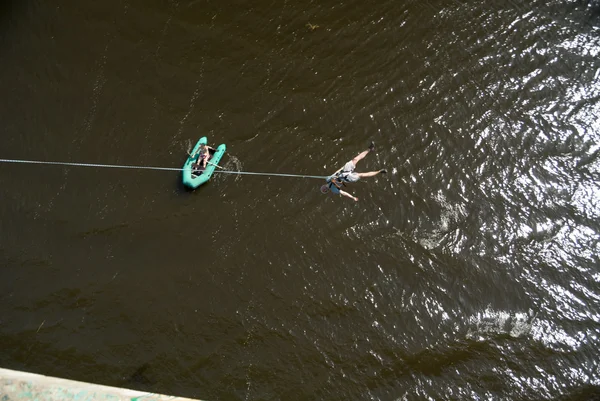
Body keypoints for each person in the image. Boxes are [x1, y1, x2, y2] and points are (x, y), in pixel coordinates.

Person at [321, 141, 386, 202]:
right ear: (327, 190)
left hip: (343, 171)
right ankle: (380, 171)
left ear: (323, 185)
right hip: (347, 178)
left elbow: (336, 172)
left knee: (355, 159)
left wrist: (343, 167)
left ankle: (370, 149)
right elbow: (344, 193)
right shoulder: (334, 190)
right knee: (362, 175)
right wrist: (353, 197)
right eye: (325, 190)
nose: (325, 188)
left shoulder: (328, 179)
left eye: (323, 188)